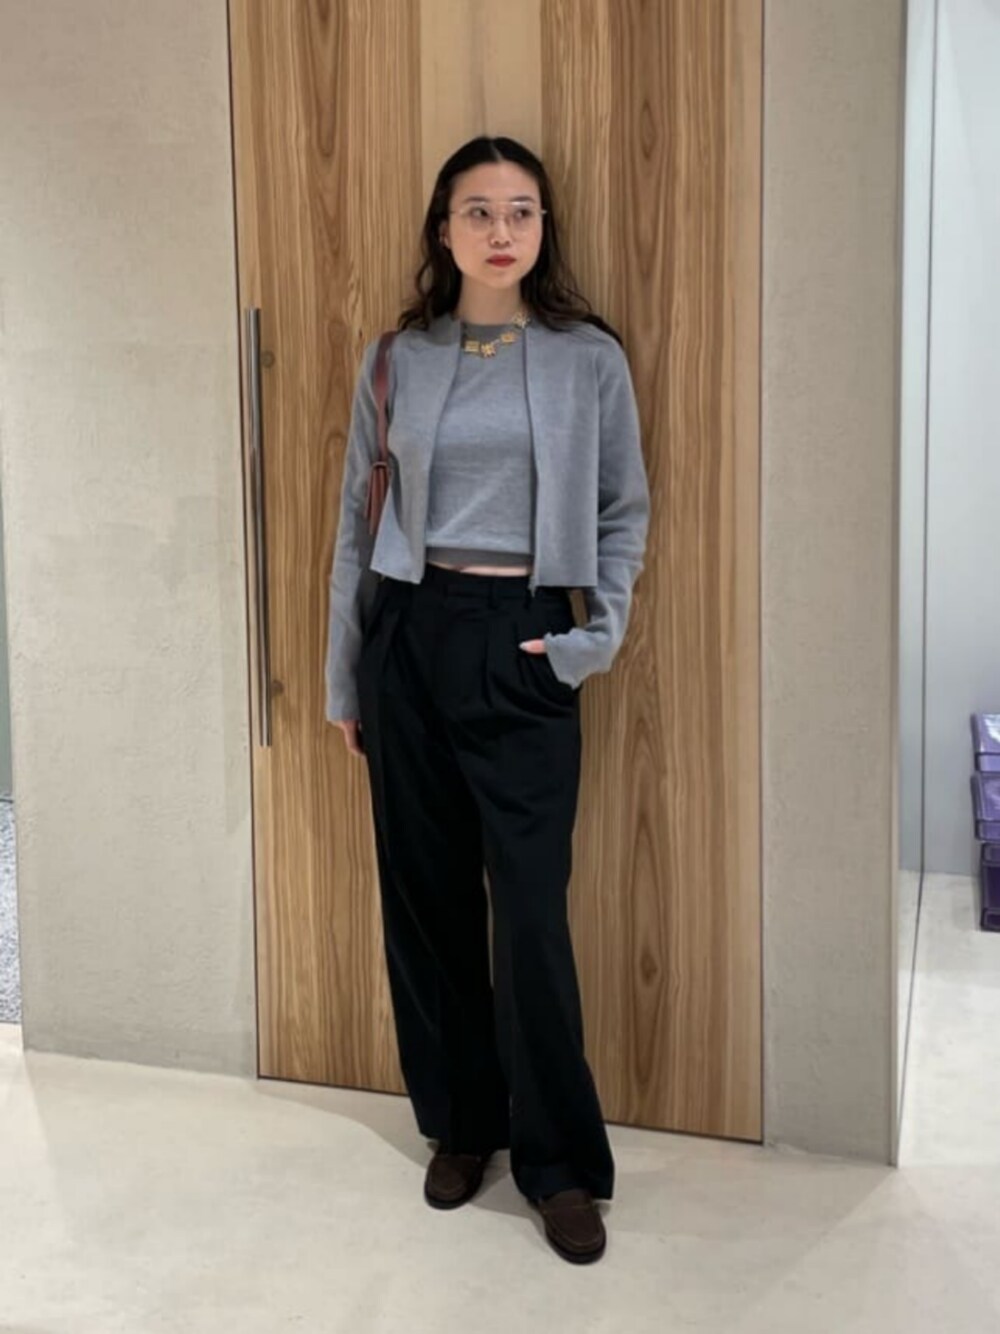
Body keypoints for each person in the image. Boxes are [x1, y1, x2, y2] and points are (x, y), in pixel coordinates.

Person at [325, 134, 650, 1265]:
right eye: (478, 210)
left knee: (530, 914)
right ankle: (462, 1125)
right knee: (425, 902)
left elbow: (623, 509)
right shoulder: (396, 358)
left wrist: (588, 642)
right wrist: (347, 674)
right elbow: (356, 526)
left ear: (543, 227)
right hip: (410, 635)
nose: (501, 230)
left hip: (524, 639)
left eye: (521, 210)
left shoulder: (585, 359)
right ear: (444, 228)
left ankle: (560, 1163)